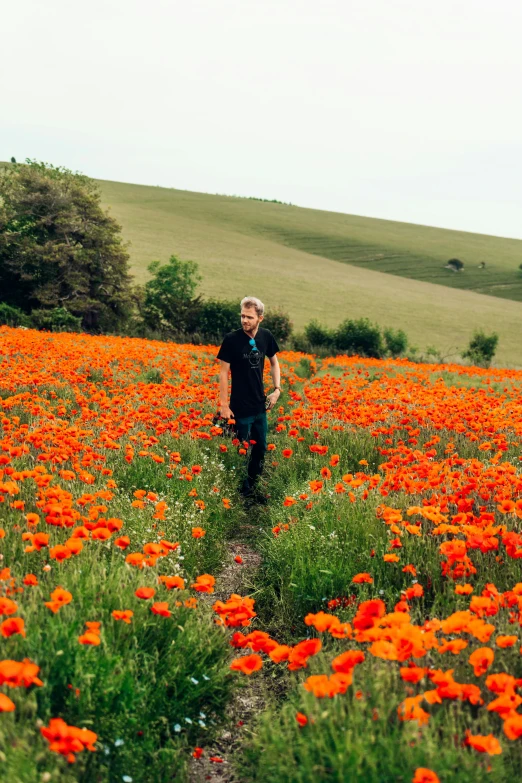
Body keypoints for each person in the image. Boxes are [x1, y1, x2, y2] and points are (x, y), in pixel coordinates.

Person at [217, 296, 281, 501]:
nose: (244, 320)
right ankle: (241, 494)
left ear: (260, 318)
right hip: (238, 407)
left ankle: (253, 488)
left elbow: (274, 363)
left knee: (260, 449)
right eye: (242, 316)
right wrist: (224, 405)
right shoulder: (231, 339)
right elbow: (223, 373)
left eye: (249, 317)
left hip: (259, 405)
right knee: (241, 451)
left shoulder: (266, 337)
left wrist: (277, 389)